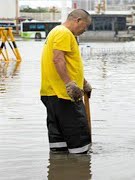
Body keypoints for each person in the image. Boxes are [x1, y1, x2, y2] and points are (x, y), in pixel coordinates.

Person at [40, 9, 92, 154]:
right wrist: (70, 84)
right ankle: (81, 171)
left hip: (51, 94)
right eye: (85, 26)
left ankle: (60, 170)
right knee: (79, 141)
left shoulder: (55, 31)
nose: (85, 30)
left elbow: (68, 64)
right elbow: (57, 60)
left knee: (59, 143)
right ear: (78, 21)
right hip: (65, 95)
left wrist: (83, 82)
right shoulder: (64, 33)